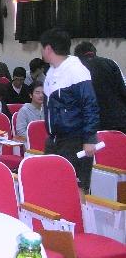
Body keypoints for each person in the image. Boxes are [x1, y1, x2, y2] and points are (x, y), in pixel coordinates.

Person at [41, 28, 99, 191]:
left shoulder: (76, 70)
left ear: (48, 48)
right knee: (53, 185)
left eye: (42, 48)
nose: (42, 52)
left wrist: (89, 139)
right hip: (54, 139)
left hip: (75, 139)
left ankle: (80, 208)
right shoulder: (51, 72)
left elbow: (90, 106)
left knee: (76, 186)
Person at [74, 41, 126, 133]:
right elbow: (123, 89)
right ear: (94, 52)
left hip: (92, 123)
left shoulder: (76, 68)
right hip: (118, 120)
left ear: (77, 56)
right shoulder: (111, 63)